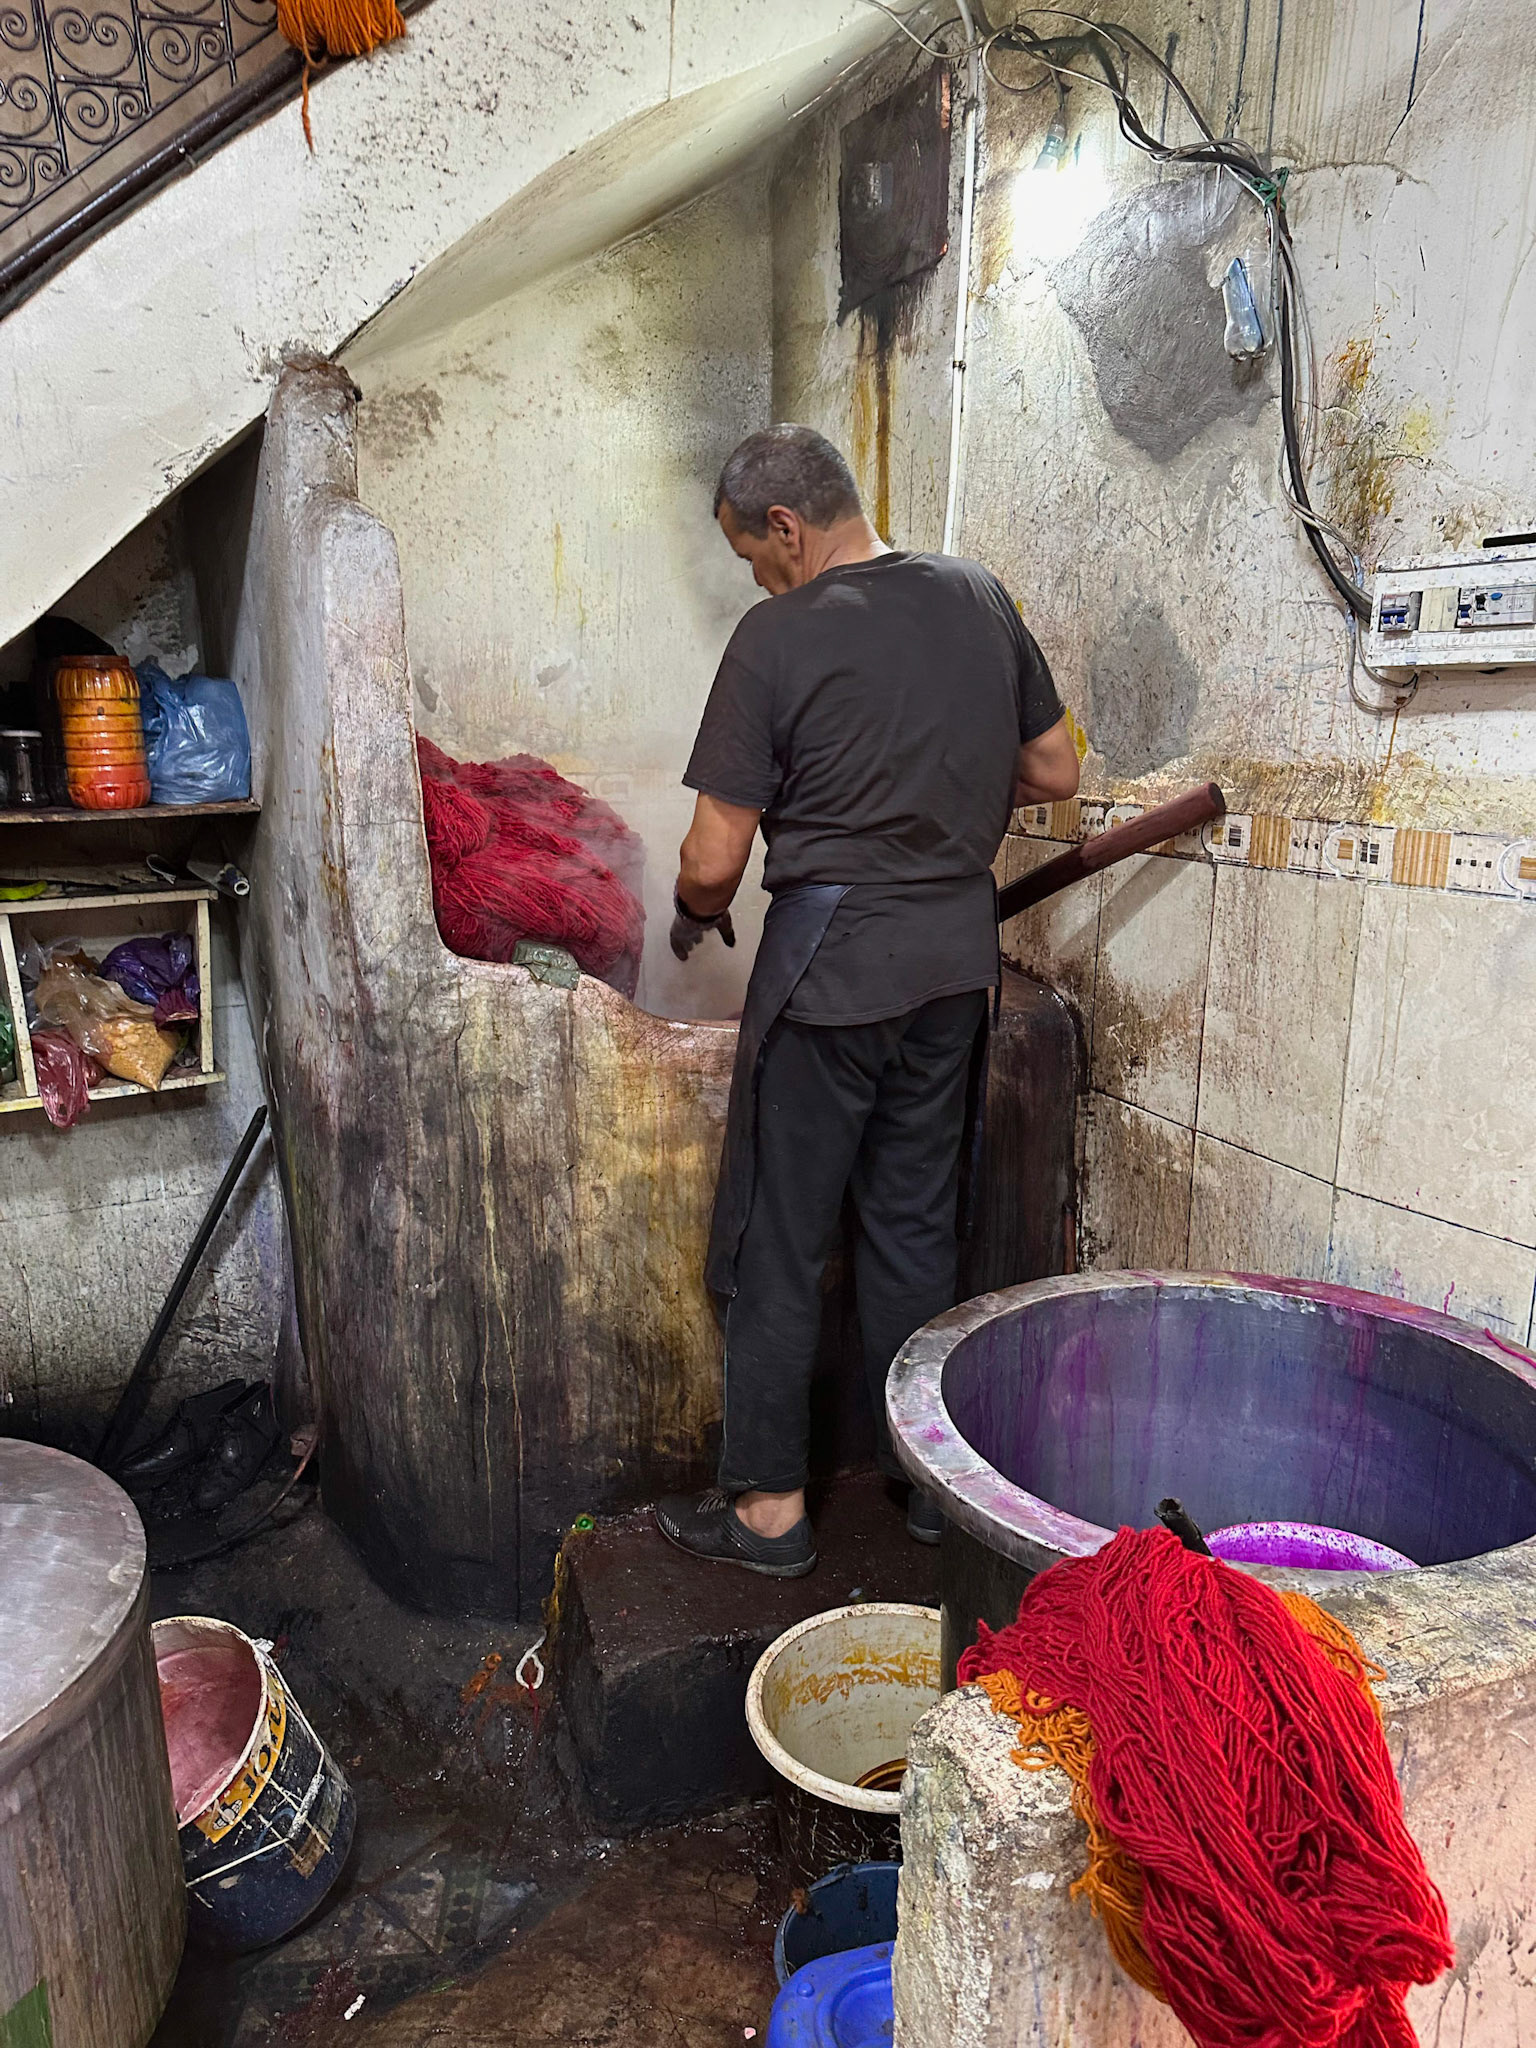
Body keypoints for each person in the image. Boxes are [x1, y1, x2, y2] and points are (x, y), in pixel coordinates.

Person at [653, 425, 1078, 1578]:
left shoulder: (776, 635)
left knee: (781, 1237)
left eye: (752, 553)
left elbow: (709, 856)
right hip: (953, 961)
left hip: (832, 963)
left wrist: (696, 910)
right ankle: (929, 1486)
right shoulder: (977, 593)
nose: (756, 575)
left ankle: (769, 1513)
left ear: (785, 528)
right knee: (912, 1223)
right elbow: (1055, 769)